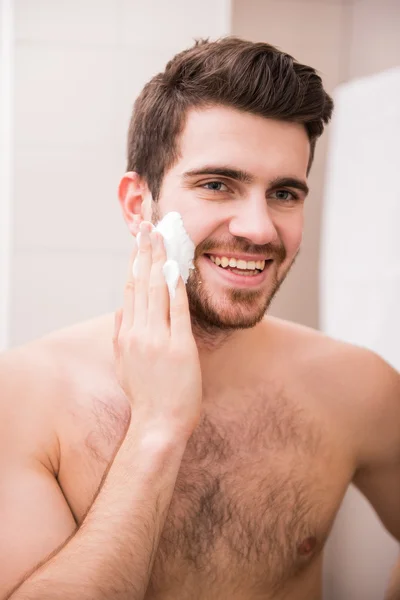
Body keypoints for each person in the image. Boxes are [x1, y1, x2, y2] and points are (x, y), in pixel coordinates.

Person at [0, 37, 399, 600]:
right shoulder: (21, 398)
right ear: (139, 205)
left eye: (284, 193)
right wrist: (158, 428)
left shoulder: (357, 386)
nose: (260, 229)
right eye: (218, 185)